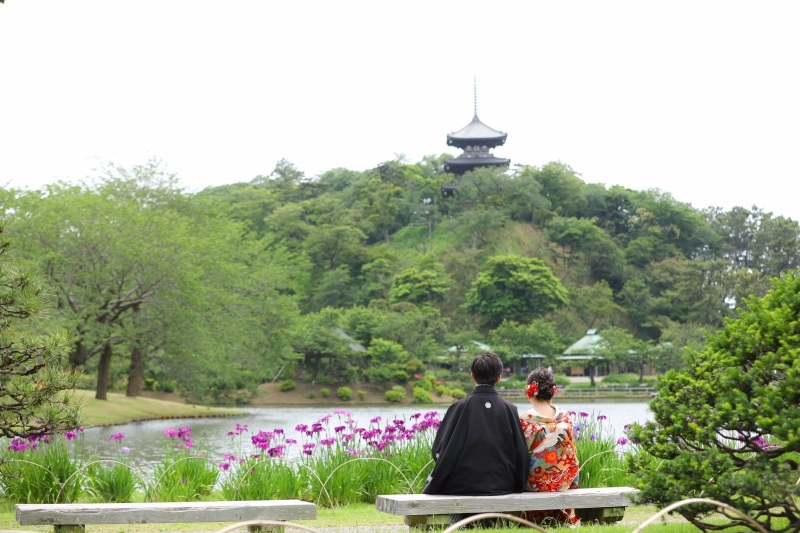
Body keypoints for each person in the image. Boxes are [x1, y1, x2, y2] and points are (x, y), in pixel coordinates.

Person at [424, 351, 529, 525]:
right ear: (499, 377)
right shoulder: (509, 409)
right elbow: (521, 454)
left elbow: (438, 451)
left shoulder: (458, 407)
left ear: (472, 376)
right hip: (502, 484)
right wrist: (518, 482)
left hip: (462, 484)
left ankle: (459, 523)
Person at [519, 367, 580, 526]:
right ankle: (563, 517)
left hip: (535, 484)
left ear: (530, 391)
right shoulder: (565, 416)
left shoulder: (525, 420)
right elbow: (572, 452)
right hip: (562, 483)